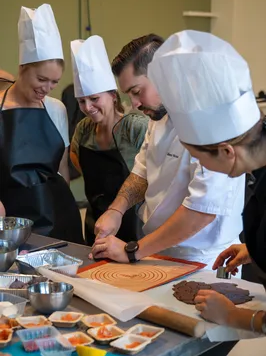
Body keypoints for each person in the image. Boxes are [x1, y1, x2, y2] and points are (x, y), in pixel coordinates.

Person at [146, 30, 266, 337]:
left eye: (199, 158)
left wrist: (238, 317)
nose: (202, 169)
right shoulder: (257, 169)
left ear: (227, 151)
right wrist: (256, 247)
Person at [90, 34, 245, 270]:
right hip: (157, 249)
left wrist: (131, 251)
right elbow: (142, 171)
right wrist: (116, 210)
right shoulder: (160, 113)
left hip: (205, 260)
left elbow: (201, 212)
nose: (134, 104)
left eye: (136, 91)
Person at [0, 3, 83, 243]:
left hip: (57, 215)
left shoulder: (56, 108)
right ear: (23, 69)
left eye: (54, 82)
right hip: (10, 218)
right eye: (41, 79)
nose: (46, 89)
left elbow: (62, 169)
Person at [70, 36, 148, 245]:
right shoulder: (83, 129)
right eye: (81, 101)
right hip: (96, 224)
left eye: (94, 99)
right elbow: (77, 164)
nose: (88, 107)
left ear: (113, 96)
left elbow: (152, 174)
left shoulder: (134, 127)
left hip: (135, 227)